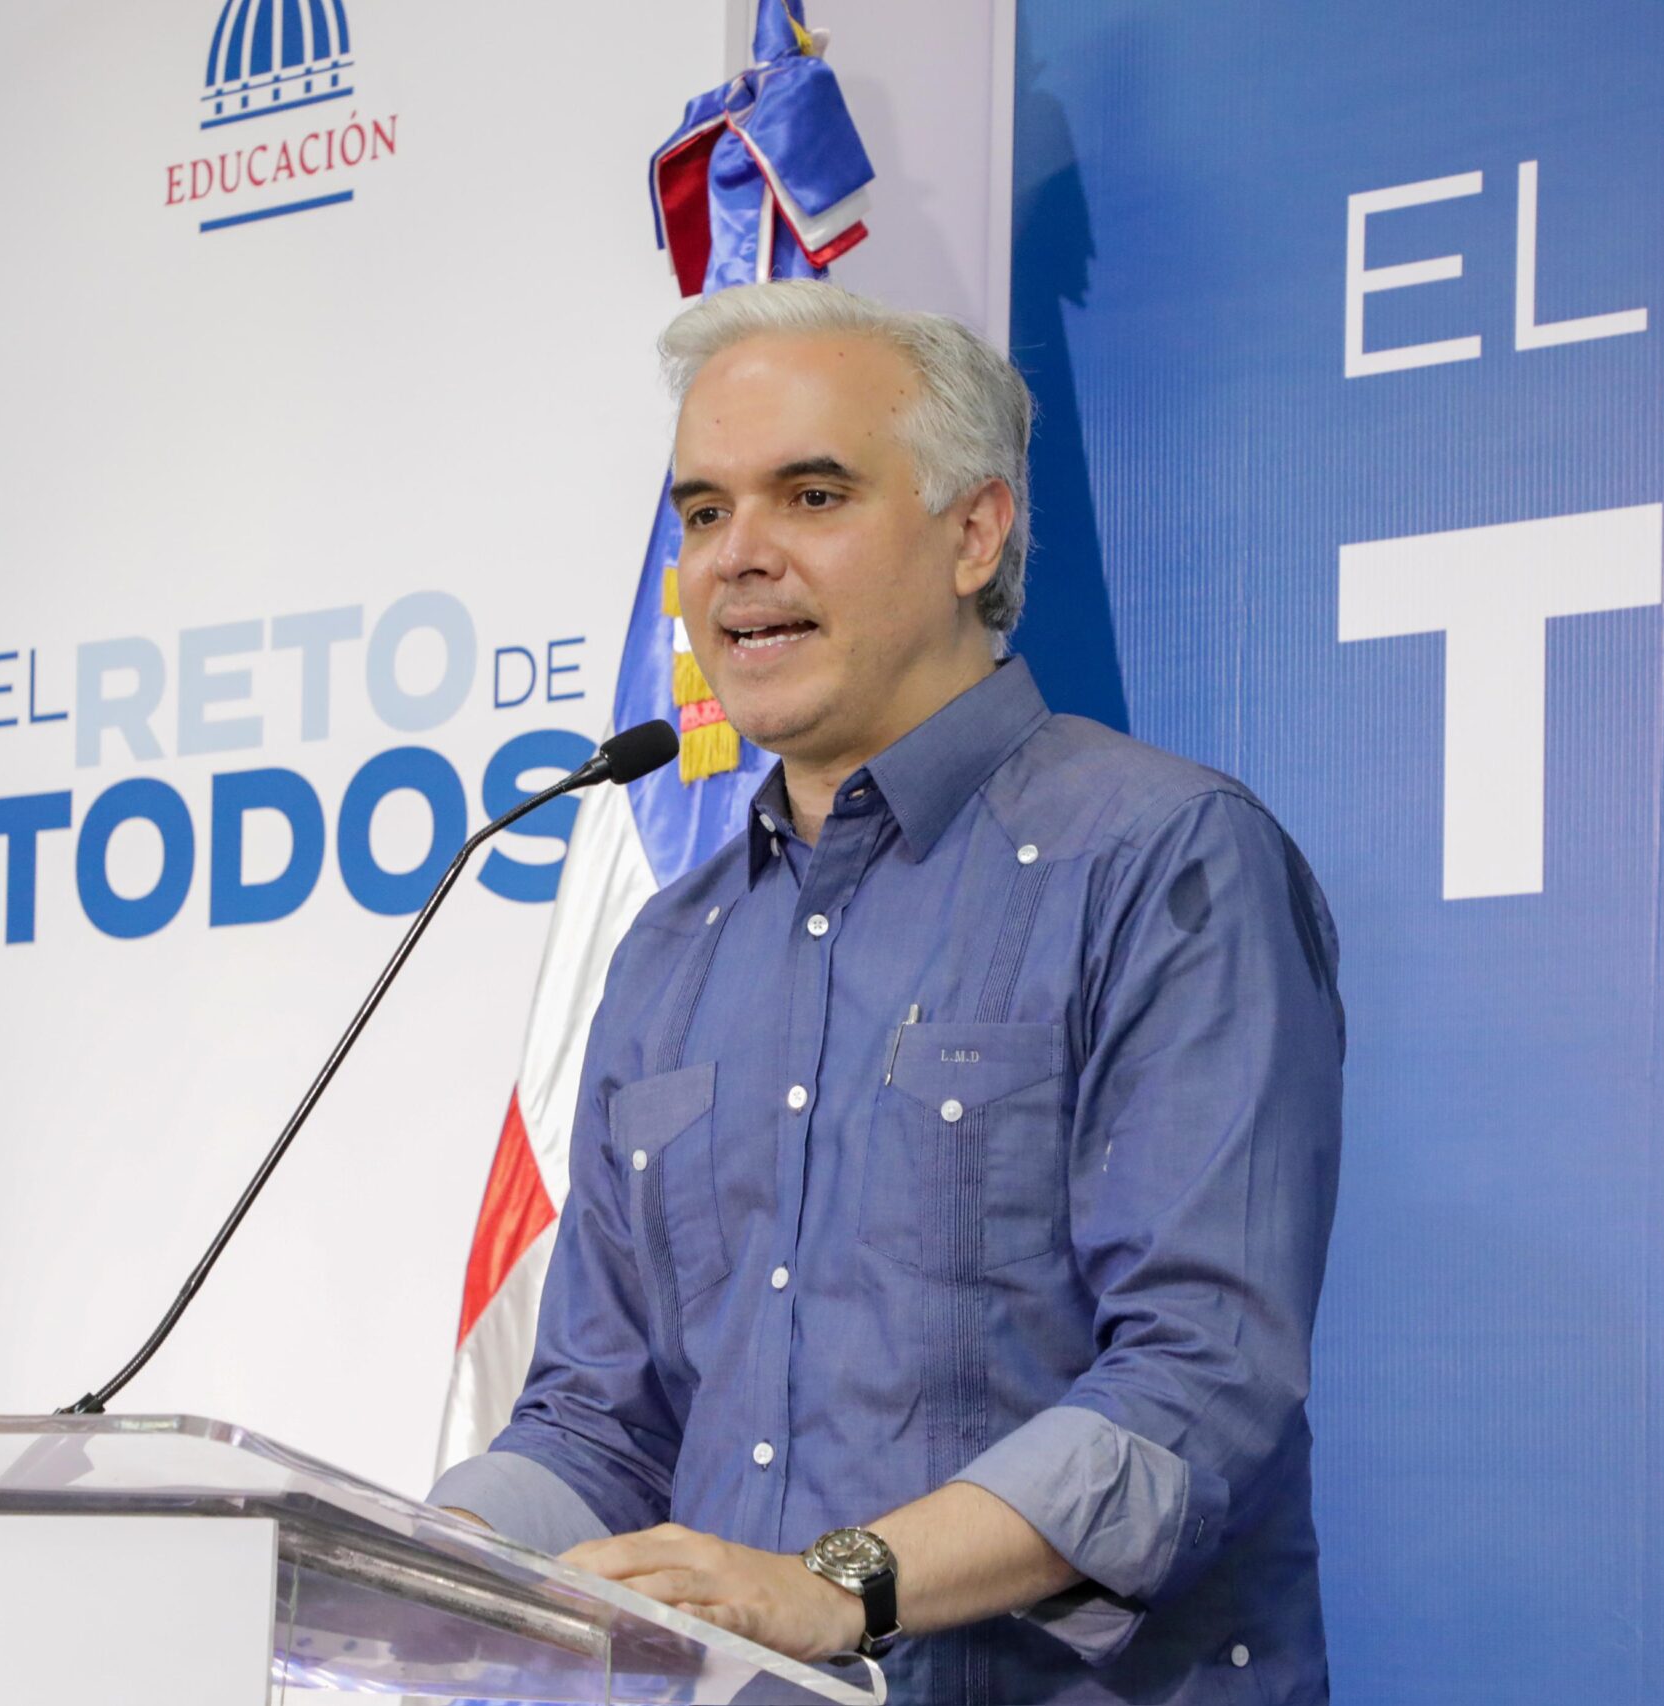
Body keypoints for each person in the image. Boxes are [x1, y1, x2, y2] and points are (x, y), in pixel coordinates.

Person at [428, 280, 1343, 1705]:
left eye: (811, 494)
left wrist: (837, 1586)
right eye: (704, 511)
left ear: (974, 531)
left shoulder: (1161, 858)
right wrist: (441, 1551)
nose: (740, 559)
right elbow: (600, 1423)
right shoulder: (672, 951)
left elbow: (1194, 1385)